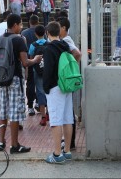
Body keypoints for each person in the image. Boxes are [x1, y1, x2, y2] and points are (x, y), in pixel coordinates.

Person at [0, 14, 42, 154]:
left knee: (3, 111)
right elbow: (25, 62)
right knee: (15, 112)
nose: (21, 27)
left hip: (1, 78)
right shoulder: (19, 40)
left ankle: (1, 142)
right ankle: (15, 145)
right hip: (15, 78)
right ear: (15, 25)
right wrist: (35, 60)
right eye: (20, 25)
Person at [43, 21, 73, 164]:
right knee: (67, 119)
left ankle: (57, 154)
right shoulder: (65, 46)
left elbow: (48, 70)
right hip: (66, 85)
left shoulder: (49, 48)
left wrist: (45, 87)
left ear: (48, 33)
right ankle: (66, 151)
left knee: (55, 120)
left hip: (55, 87)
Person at [57, 17, 82, 150]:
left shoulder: (66, 40)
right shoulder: (64, 40)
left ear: (64, 28)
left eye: (59, 27)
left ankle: (70, 142)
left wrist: (72, 69)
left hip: (67, 81)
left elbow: (78, 53)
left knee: (68, 113)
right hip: (66, 81)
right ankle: (68, 141)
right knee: (68, 112)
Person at [28, 25, 48, 126]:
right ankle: (49, 113)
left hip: (37, 71)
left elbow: (31, 58)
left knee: (40, 91)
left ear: (35, 34)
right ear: (45, 32)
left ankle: (43, 116)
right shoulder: (49, 44)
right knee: (49, 91)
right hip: (48, 71)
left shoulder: (33, 45)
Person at [21, 15, 39, 116]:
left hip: (27, 60)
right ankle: (38, 102)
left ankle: (30, 106)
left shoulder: (24, 33)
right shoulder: (41, 31)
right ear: (38, 21)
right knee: (39, 83)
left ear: (29, 22)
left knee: (30, 84)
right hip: (39, 61)